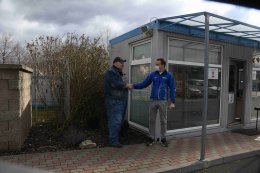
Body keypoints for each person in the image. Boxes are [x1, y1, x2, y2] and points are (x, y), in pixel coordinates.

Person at [129, 58, 176, 147]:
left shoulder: (169, 75)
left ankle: (163, 139)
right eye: (156, 64)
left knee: (163, 121)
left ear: (163, 65)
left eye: (158, 64)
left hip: (163, 100)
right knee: (151, 120)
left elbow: (172, 89)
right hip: (153, 100)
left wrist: (172, 101)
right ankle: (151, 138)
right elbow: (143, 84)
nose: (156, 66)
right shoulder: (153, 75)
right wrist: (133, 85)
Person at [105, 57, 131, 148]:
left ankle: (115, 138)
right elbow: (115, 84)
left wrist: (123, 79)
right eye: (121, 63)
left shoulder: (119, 73)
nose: (123, 65)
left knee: (119, 120)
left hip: (121, 100)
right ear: (115, 63)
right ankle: (113, 141)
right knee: (115, 121)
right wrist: (126, 85)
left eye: (123, 63)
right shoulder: (111, 72)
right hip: (114, 101)